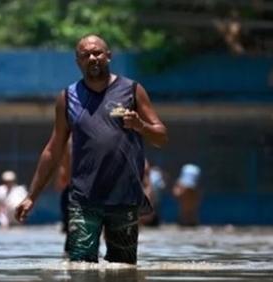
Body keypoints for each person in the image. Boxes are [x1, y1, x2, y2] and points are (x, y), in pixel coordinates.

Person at [15, 34, 168, 264]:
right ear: (78, 61)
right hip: (84, 199)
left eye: (97, 53)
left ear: (108, 56)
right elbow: (53, 149)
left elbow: (161, 137)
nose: (92, 58)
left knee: (123, 271)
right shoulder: (68, 97)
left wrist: (140, 125)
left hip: (124, 198)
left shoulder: (132, 91)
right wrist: (31, 196)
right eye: (85, 55)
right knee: (79, 269)